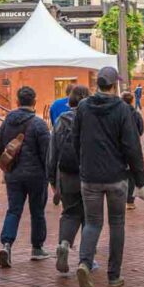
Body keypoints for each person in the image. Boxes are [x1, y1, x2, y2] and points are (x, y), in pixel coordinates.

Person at [72, 66, 144, 287]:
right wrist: (140, 179)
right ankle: (113, 276)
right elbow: (132, 146)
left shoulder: (83, 107)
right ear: (114, 85)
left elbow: (76, 139)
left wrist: (83, 163)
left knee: (93, 223)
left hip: (90, 176)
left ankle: (85, 263)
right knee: (117, 224)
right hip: (116, 176)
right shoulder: (122, 109)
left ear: (98, 84)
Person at [0, 85, 51, 267]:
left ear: (17, 102)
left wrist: (8, 167)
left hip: (13, 175)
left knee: (14, 210)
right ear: (34, 102)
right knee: (37, 212)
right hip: (36, 176)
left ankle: (6, 244)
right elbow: (47, 154)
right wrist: (49, 176)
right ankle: (37, 248)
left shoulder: (7, 122)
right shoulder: (39, 124)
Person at [48, 84, 90, 275]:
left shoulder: (61, 120)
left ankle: (64, 243)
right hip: (89, 175)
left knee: (70, 212)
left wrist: (52, 179)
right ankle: (86, 257)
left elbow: (52, 153)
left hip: (66, 175)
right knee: (90, 216)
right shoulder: (91, 119)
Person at [121, 91, 144, 209]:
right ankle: (130, 201)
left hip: (119, 148)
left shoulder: (117, 113)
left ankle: (120, 199)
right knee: (131, 174)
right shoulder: (135, 114)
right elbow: (141, 130)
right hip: (133, 147)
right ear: (131, 101)